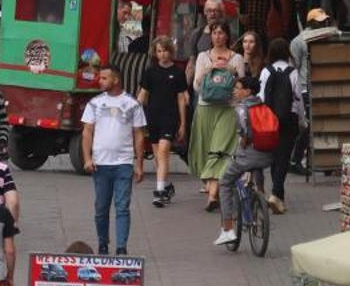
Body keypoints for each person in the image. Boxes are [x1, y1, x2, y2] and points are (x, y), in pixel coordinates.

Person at [81, 65, 146, 255]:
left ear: (115, 80)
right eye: (100, 78)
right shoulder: (94, 103)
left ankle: (121, 248)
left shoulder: (132, 104)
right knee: (101, 208)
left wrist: (139, 163)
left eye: (104, 78)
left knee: (122, 207)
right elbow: (87, 131)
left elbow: (139, 134)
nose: (99, 81)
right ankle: (103, 243)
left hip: (123, 164)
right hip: (100, 164)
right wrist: (87, 158)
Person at [214, 73, 277, 247]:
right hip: (267, 155)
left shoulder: (242, 109)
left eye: (238, 88)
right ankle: (259, 198)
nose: (234, 91)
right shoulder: (264, 106)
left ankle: (227, 230)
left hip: (248, 156)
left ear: (247, 91)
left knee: (225, 182)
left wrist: (242, 143)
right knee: (254, 169)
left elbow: (244, 133)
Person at [189, 26, 241, 213]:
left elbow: (241, 88)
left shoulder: (237, 58)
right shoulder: (203, 57)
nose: (218, 36)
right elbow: (196, 86)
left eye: (221, 32)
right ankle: (214, 190)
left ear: (227, 35)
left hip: (227, 110)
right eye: (214, 33)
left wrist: (230, 71)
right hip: (205, 108)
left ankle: (212, 195)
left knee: (219, 151)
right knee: (205, 151)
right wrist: (210, 69)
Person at [139, 36, 190, 206]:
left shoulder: (177, 72)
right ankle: (167, 186)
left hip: (170, 116)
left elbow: (181, 98)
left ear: (171, 51)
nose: (163, 55)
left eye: (165, 50)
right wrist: (136, 110)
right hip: (153, 117)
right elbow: (143, 95)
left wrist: (182, 123)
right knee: (158, 157)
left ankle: (159, 191)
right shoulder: (150, 72)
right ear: (155, 53)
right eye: (159, 51)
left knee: (163, 151)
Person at [261, 37, 300, 213]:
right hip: (288, 119)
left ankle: (278, 196)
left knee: (275, 157)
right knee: (283, 157)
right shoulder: (293, 72)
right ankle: (277, 194)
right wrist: (302, 119)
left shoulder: (266, 71)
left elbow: (261, 97)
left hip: (269, 119)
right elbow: (297, 98)